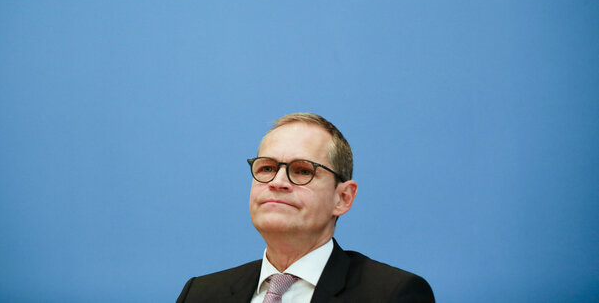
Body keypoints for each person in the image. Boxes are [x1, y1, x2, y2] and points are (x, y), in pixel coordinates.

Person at [176, 113, 434, 303]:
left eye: (302, 171)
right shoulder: (200, 294)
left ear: (342, 198)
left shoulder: (392, 294)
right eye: (266, 168)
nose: (277, 182)